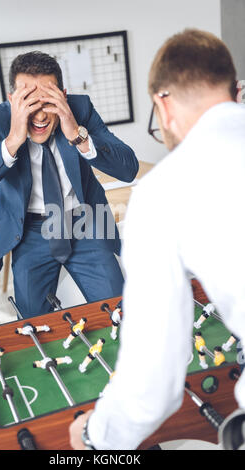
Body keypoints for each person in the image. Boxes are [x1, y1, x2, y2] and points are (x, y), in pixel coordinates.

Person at [69, 28, 245, 450]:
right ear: (235, 91)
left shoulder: (161, 192)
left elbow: (152, 387)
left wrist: (95, 436)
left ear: (162, 104)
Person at [0, 52, 138, 318]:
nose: (39, 116)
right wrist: (13, 139)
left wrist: (77, 134)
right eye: (29, 102)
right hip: (29, 230)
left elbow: (128, 168)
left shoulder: (81, 108)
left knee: (121, 312)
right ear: (12, 100)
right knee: (34, 323)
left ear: (62, 95)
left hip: (86, 220)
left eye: (48, 102)